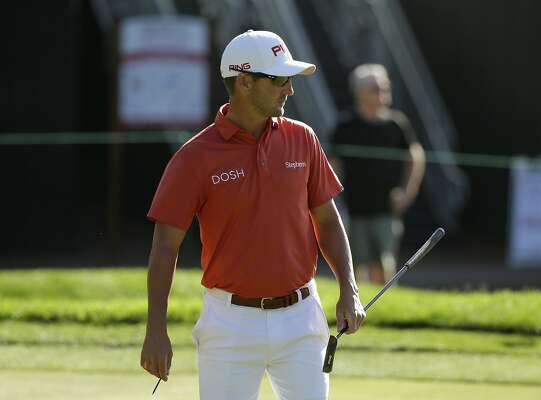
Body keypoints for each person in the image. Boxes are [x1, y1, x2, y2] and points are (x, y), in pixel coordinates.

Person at [140, 30, 365, 400]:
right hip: (230, 324)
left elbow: (327, 219)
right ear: (244, 82)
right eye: (279, 79)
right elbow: (165, 247)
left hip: (302, 317)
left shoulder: (303, 138)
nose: (289, 89)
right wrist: (155, 330)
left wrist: (348, 289)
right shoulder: (195, 157)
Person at [331, 64, 426, 285]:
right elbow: (333, 164)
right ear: (360, 92)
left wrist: (406, 192)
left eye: (385, 86)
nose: (383, 91)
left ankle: (383, 309)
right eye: (376, 87)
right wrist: (335, 200)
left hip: (386, 210)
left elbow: (415, 156)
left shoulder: (396, 124)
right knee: (355, 265)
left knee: (384, 263)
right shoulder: (346, 126)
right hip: (354, 209)